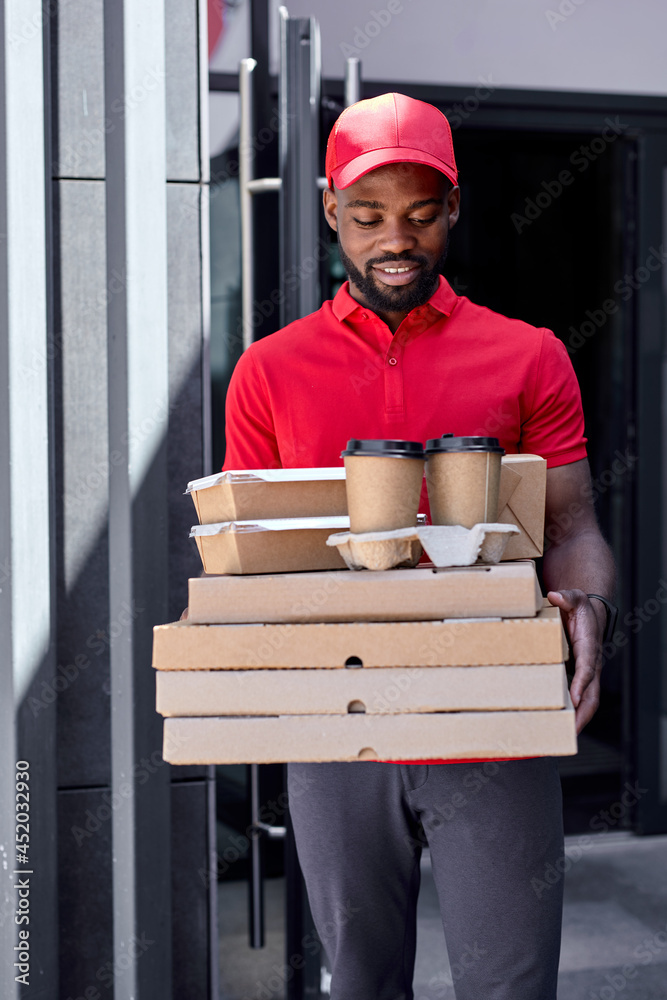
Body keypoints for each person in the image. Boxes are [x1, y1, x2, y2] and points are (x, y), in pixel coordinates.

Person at [222, 93, 616, 1000]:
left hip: (492, 716)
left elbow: (572, 528)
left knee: (510, 986)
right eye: (365, 217)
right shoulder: (268, 371)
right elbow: (245, 551)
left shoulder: (528, 357)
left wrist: (588, 605)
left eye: (418, 214)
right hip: (334, 725)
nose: (392, 239)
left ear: (453, 208)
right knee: (359, 984)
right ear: (330, 211)